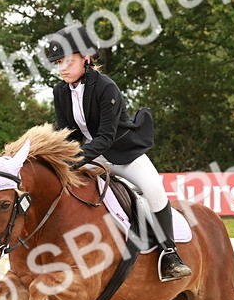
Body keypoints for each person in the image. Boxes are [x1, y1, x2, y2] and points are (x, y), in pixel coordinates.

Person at [43, 26, 191, 281]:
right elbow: (68, 133)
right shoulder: (60, 92)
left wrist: (76, 159)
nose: (62, 68)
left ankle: (170, 254)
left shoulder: (106, 87)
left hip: (123, 154)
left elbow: (106, 137)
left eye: (68, 61)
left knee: (154, 188)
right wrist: (60, 159)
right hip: (91, 155)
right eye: (58, 63)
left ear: (86, 57)